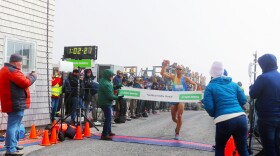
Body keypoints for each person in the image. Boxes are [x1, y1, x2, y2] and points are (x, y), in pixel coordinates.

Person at [203, 61, 249, 156]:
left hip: (224, 120)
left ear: (211, 73)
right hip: (241, 118)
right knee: (243, 150)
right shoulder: (234, 84)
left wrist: (215, 114)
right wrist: (239, 111)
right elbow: (244, 101)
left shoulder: (210, 87)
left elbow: (209, 106)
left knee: (220, 148)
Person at [0, 54, 37, 156]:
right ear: (15, 61)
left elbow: (20, 81)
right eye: (21, 62)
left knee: (15, 125)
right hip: (15, 103)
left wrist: (29, 76)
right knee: (13, 126)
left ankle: (13, 145)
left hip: (13, 102)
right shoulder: (12, 71)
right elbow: (25, 83)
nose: (21, 64)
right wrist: (33, 76)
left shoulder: (6, 70)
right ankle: (10, 149)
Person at [249, 54, 280, 156]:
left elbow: (253, 94)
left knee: (269, 148)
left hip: (267, 118)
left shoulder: (263, 78)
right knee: (277, 145)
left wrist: (252, 87)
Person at [160, 60, 197, 140]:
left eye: (180, 69)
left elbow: (195, 84)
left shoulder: (185, 78)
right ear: (175, 70)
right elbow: (162, 74)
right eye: (177, 69)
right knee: (173, 118)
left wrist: (193, 93)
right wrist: (164, 66)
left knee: (179, 116)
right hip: (174, 99)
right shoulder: (174, 77)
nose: (178, 70)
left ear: (182, 71)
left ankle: (177, 133)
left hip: (181, 99)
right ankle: (179, 124)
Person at [98, 69, 123, 140]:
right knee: (108, 118)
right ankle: (104, 134)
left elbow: (110, 89)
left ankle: (109, 131)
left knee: (109, 117)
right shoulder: (106, 83)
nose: (112, 77)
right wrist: (118, 98)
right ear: (108, 76)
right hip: (105, 102)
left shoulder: (105, 81)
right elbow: (110, 95)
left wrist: (116, 86)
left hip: (104, 102)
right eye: (111, 76)